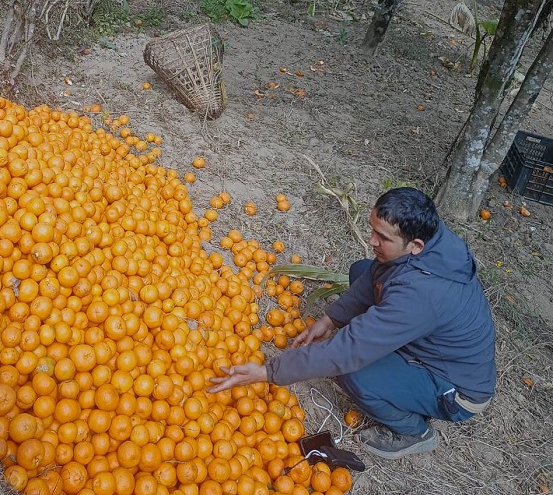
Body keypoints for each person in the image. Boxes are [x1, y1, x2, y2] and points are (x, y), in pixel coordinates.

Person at [208, 187, 496, 459]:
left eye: (382, 237)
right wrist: (330, 318)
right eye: (372, 230)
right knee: (363, 270)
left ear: (416, 245)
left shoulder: (421, 295)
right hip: (430, 339)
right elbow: (375, 277)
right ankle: (399, 363)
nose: (371, 240)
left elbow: (345, 353)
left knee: (353, 371)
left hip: (454, 389)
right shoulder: (434, 240)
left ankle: (415, 431)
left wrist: (268, 371)